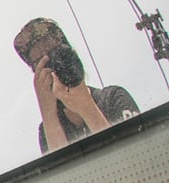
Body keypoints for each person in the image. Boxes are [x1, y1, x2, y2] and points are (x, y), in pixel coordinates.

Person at [14, 18, 139, 153]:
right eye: (41, 62)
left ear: (72, 58)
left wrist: (86, 106)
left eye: (56, 54)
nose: (54, 67)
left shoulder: (112, 98)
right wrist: (48, 114)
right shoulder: (47, 129)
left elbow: (137, 157)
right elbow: (61, 172)